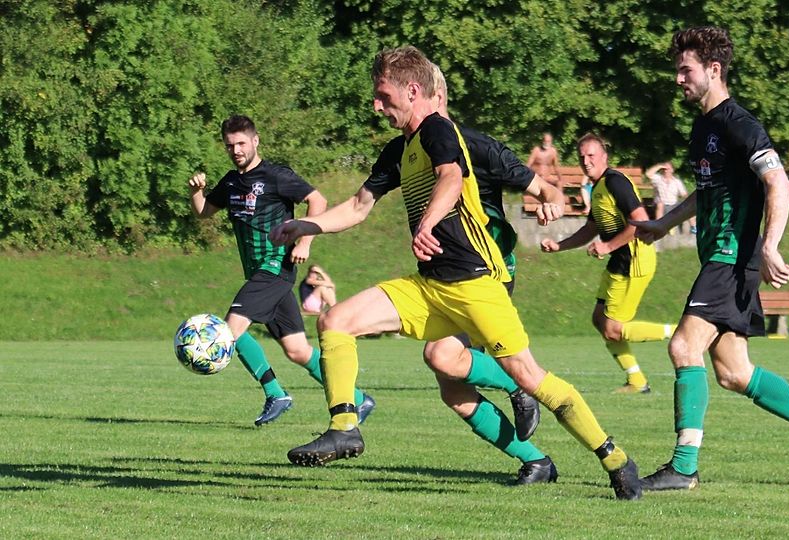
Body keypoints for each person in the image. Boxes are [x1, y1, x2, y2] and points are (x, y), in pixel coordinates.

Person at [270, 46, 644, 500]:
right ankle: (346, 427)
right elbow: (358, 206)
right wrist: (306, 225)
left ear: (413, 90)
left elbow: (450, 177)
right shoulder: (399, 148)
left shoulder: (438, 130)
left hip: (475, 283)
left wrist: (429, 221)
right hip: (430, 285)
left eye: (382, 96)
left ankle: (614, 458)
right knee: (335, 321)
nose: (376, 105)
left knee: (529, 376)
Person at [632, 26, 789, 490]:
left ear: (713, 70)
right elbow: (707, 190)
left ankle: (684, 467)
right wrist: (664, 223)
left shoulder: (740, 123)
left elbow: (779, 183)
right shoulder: (704, 127)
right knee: (735, 372)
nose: (678, 79)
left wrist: (771, 244)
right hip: (720, 257)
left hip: (731, 257)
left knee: (682, 346)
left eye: (685, 70)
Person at [418, 64, 567, 484]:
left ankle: (518, 385)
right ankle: (536, 461)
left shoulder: (479, 147)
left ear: (434, 96)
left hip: (488, 270)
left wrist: (551, 202)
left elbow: (548, 190)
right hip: (445, 276)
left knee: (441, 356)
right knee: (451, 386)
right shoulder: (414, 150)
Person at [188, 115, 375, 427]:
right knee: (298, 350)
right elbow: (205, 212)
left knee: (229, 332)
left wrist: (305, 242)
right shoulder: (231, 183)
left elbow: (318, 201)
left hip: (275, 268)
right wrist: (196, 191)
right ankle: (357, 398)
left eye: (241, 143)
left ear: (255, 141)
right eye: (230, 145)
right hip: (259, 274)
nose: (236, 150)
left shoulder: (275, 176)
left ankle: (275, 393)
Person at [541, 133, 674, 394]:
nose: (585, 161)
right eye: (581, 156)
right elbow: (590, 229)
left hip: (635, 260)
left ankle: (683, 334)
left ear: (604, 157)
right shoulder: (599, 186)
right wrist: (560, 246)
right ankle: (636, 381)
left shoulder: (615, 182)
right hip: (620, 260)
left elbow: (640, 220)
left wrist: (608, 246)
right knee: (599, 319)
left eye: (591, 155)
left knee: (613, 329)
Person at [645, 161, 695, 232]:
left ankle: (693, 227)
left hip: (673, 205)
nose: (666, 171)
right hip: (660, 206)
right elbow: (648, 174)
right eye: (664, 169)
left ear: (672, 170)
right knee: (660, 204)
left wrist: (690, 201)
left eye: (668, 169)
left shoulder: (677, 182)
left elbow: (684, 194)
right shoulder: (658, 179)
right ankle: (658, 227)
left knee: (689, 205)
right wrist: (659, 165)